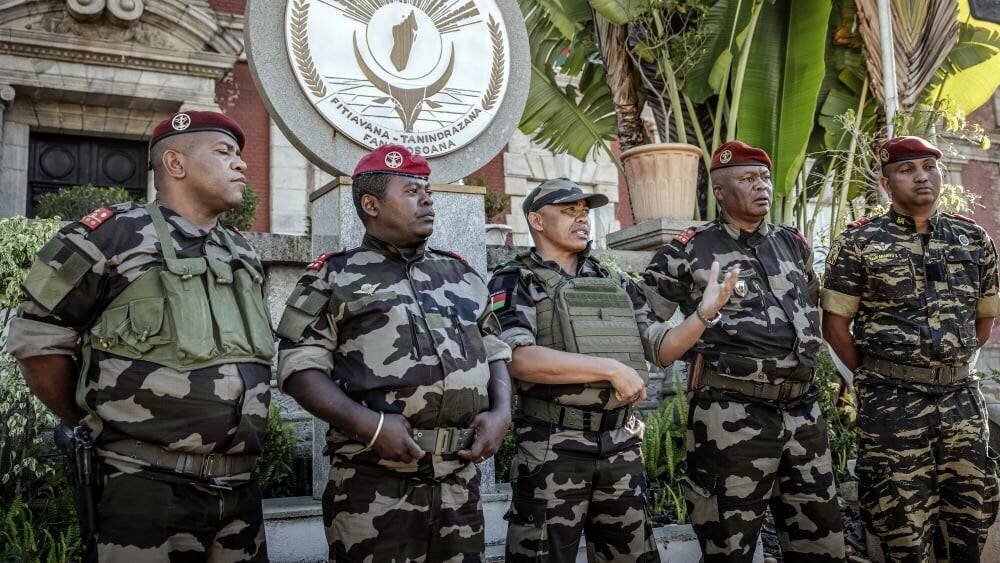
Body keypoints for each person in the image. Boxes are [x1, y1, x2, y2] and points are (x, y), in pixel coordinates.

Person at [6, 110, 275, 561]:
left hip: (240, 491)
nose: (241, 163)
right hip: (144, 488)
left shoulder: (241, 250)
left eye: (239, 154)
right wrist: (85, 419)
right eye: (224, 152)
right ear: (175, 163)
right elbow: (37, 342)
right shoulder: (108, 236)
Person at [275, 144, 512, 561]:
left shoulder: (461, 273)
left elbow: (495, 352)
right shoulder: (333, 276)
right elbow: (298, 367)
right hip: (373, 489)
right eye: (412, 191)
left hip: (458, 483)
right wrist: (370, 425)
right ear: (371, 205)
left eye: (428, 191)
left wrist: (502, 414)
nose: (427, 200)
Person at [488, 177, 738, 562]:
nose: (581, 218)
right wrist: (609, 369)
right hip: (552, 444)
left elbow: (660, 348)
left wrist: (704, 313)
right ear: (537, 221)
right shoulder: (516, 278)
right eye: (568, 211)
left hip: (619, 443)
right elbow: (518, 359)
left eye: (584, 212)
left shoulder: (611, 278)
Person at [644, 141, 846, 562]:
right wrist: (686, 330)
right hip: (731, 417)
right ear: (719, 192)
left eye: (765, 178)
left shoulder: (792, 243)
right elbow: (643, 319)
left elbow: (812, 308)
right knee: (729, 545)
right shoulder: (690, 250)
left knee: (822, 544)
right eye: (748, 178)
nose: (762, 186)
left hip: (803, 412)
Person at [822, 135, 1000, 561]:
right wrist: (877, 376)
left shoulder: (972, 238)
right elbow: (835, 326)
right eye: (907, 170)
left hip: (961, 400)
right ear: (886, 184)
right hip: (892, 403)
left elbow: (984, 321)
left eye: (929, 167)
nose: (922, 176)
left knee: (970, 519)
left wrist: (949, 365)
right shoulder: (860, 242)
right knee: (901, 525)